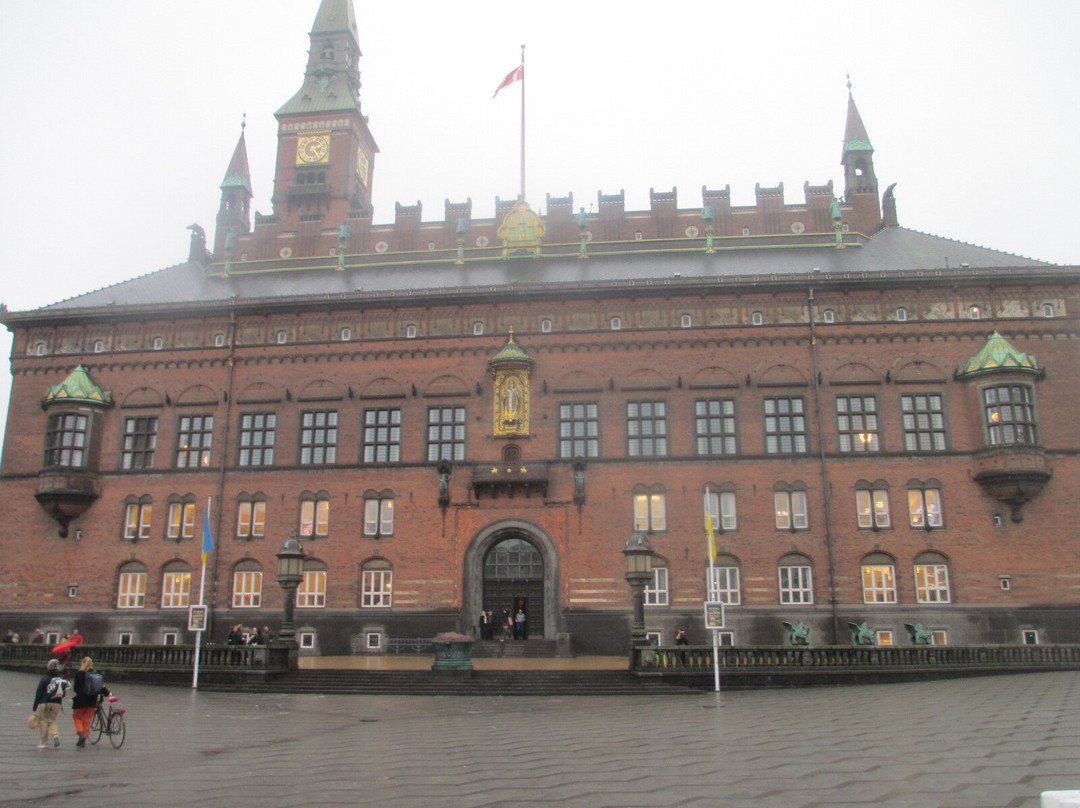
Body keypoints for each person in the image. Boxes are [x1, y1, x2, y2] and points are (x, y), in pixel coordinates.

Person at [71, 656, 109, 748]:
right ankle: (84, 737)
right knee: (86, 720)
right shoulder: (95, 674)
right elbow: (101, 686)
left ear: (82, 663)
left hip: (81, 699)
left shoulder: (79, 674)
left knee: (77, 717)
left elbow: (75, 688)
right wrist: (107, 693)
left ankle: (80, 733)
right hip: (92, 700)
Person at [32, 658, 67, 749]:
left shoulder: (44, 678)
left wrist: (35, 705)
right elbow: (63, 692)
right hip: (56, 702)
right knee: (52, 720)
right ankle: (55, 735)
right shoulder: (62, 678)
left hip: (45, 702)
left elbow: (39, 692)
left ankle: (44, 743)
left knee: (43, 721)